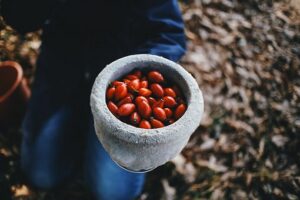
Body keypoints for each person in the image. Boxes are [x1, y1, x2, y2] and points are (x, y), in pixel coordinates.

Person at [1, 0, 186, 199]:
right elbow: (21, 19)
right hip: (63, 75)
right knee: (41, 174)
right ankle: (78, 128)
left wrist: (141, 76)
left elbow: (169, 32)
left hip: (118, 86)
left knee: (113, 193)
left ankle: (94, 136)